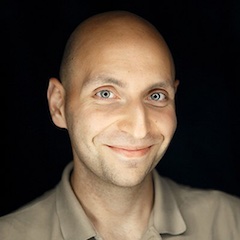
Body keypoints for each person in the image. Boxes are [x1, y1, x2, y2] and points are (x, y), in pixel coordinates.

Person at [1, 10, 240, 240]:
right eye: (105, 94)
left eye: (156, 96)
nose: (139, 129)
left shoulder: (232, 223)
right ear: (58, 105)